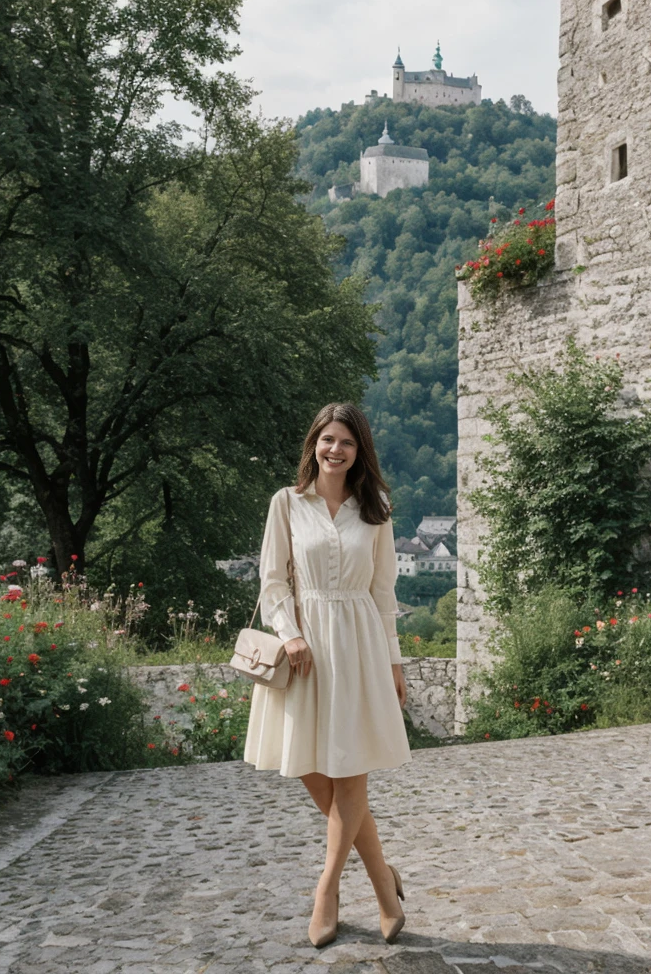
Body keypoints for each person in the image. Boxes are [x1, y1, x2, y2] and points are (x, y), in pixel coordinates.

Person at [243, 402, 412, 948]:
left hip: (360, 646)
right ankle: (383, 877)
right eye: (327, 440)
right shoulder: (286, 504)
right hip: (305, 648)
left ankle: (328, 889)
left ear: (360, 451)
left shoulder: (376, 508)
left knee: (352, 770)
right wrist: (290, 633)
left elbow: (384, 594)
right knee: (313, 768)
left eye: (346, 442)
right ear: (313, 444)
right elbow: (273, 581)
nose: (335, 450)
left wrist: (394, 662)